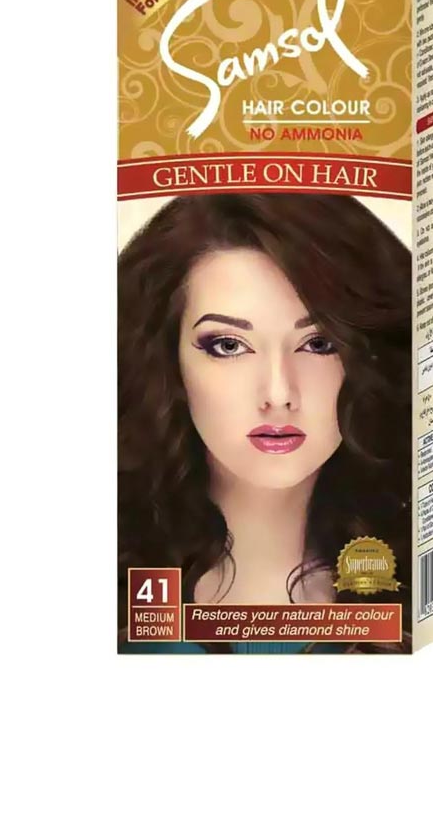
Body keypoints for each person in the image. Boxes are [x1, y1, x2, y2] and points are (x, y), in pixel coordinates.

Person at [118, 193, 412, 652]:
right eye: (228, 345)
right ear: (167, 361)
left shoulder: (425, 594)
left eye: (319, 343)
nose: (278, 393)